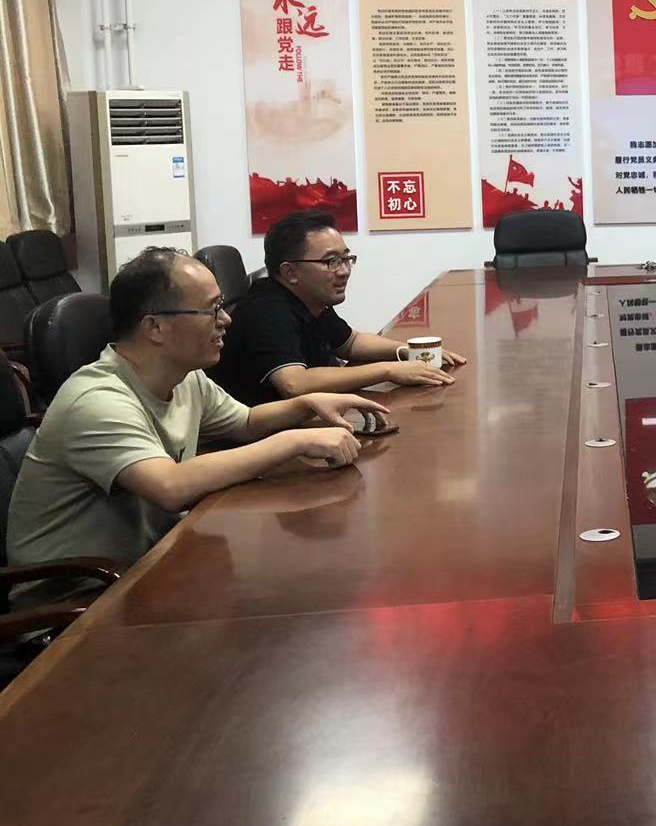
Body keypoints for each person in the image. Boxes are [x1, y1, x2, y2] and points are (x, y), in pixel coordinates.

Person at [5, 248, 388, 599]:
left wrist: (308, 404)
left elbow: (246, 422)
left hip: (149, 571)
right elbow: (169, 486)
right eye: (211, 310)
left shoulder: (184, 377)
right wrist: (292, 442)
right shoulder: (96, 400)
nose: (226, 319)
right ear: (155, 327)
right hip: (78, 603)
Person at [210, 209, 465, 405]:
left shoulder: (310, 298)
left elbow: (350, 342)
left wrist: (408, 352)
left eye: (346, 259)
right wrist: (389, 370)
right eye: (331, 261)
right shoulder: (266, 309)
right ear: (290, 272)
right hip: (257, 441)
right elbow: (294, 384)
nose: (344, 271)